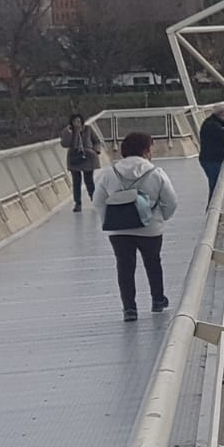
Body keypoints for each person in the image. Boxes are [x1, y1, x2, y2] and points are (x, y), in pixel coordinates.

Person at [94, 131, 179, 322]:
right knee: (153, 262)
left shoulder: (109, 173)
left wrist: (109, 220)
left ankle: (129, 308)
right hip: (149, 228)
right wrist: (159, 217)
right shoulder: (155, 172)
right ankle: (157, 299)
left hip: (119, 230)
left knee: (124, 266)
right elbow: (171, 201)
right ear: (146, 150)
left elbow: (98, 201)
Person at [59, 113, 103, 212]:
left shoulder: (88, 129)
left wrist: (95, 151)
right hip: (74, 158)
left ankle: (94, 199)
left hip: (87, 156)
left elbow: (96, 141)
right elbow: (64, 143)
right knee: (76, 182)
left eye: (79, 121)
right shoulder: (69, 131)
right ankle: (78, 203)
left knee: (89, 180)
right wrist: (69, 133)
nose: (77, 124)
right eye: (75, 121)